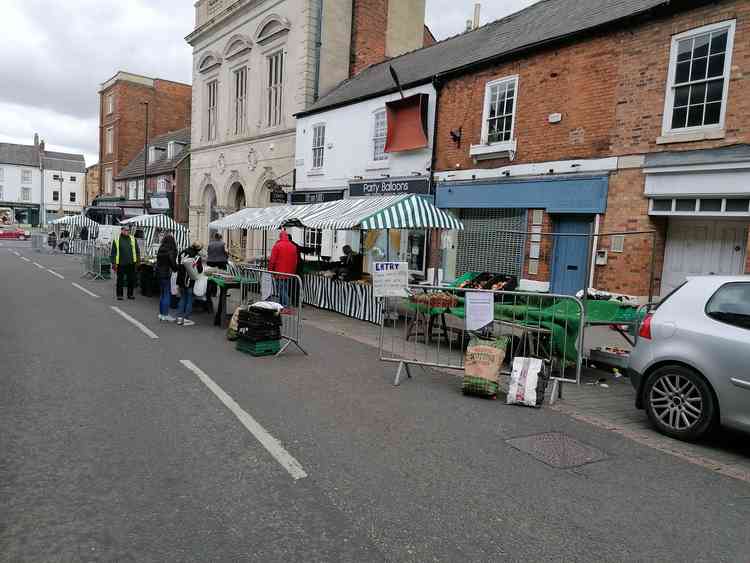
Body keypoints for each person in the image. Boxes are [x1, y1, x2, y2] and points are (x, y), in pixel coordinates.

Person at [176, 242, 203, 326]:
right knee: (189, 299)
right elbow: (200, 270)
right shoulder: (197, 257)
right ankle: (186, 319)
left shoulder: (182, 252)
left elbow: (178, 264)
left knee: (182, 298)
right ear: (198, 249)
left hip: (180, 279)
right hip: (190, 280)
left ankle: (179, 318)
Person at [268, 231, 298, 307]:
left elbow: (272, 260)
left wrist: (270, 270)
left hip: (279, 272)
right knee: (285, 289)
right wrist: (293, 271)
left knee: (281, 290)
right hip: (289, 273)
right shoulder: (293, 246)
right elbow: (295, 261)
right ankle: (282, 304)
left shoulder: (277, 246)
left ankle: (286, 305)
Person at [111, 225, 140, 300]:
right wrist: (114, 263)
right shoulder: (117, 239)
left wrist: (138, 261)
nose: (127, 231)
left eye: (128, 230)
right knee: (120, 280)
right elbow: (113, 252)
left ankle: (130, 294)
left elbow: (137, 251)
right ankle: (119, 295)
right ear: (122, 230)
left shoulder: (133, 239)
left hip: (131, 263)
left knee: (131, 280)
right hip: (120, 263)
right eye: (125, 230)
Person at [156, 233, 179, 322]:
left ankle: (161, 314)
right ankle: (165, 314)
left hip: (159, 273)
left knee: (162, 294)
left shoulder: (161, 249)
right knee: (167, 294)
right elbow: (173, 263)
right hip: (166, 274)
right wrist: (177, 268)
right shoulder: (170, 250)